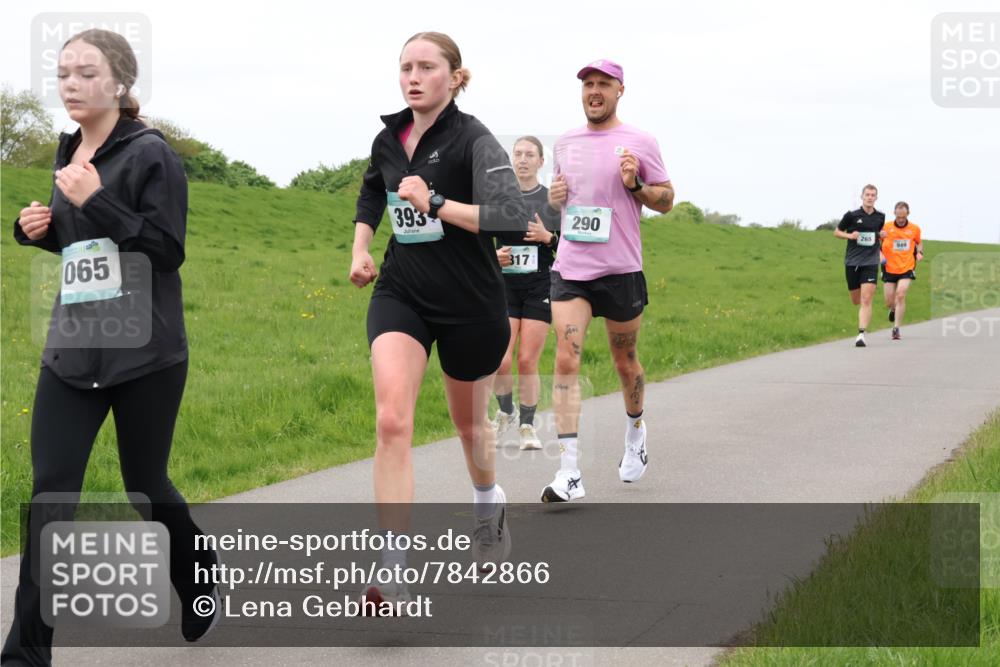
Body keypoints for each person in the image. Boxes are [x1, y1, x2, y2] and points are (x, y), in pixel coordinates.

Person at [2, 29, 218, 666]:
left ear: (119, 83)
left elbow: (165, 251)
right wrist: (35, 231)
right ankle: (25, 656)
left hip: (145, 353)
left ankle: (199, 573)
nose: (70, 83)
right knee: (51, 496)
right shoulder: (69, 148)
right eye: (63, 72)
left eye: (85, 72)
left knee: (145, 485)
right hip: (73, 350)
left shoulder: (153, 155)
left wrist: (95, 199)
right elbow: (84, 248)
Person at [349, 32, 528, 602]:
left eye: (426, 66)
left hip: (470, 303)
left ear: (454, 77)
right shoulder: (388, 136)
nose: (413, 76)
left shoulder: (474, 140)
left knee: (470, 426)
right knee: (392, 421)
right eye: (405, 67)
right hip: (402, 293)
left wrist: (437, 203)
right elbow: (372, 194)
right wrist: (360, 248)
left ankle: (486, 501)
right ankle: (393, 565)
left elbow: (509, 216)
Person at [539, 60, 674, 503]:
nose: (593, 91)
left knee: (625, 363)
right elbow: (563, 199)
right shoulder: (565, 143)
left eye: (602, 84)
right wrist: (553, 198)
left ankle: (636, 429)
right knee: (565, 358)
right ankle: (569, 472)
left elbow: (667, 200)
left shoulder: (640, 141)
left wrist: (636, 186)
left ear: (620, 91)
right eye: (587, 85)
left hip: (620, 272)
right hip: (571, 268)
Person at [491, 136, 561, 451]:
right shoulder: (498, 199)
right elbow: (477, 241)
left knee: (527, 359)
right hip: (505, 285)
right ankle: (506, 411)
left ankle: (528, 425)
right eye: (517, 154)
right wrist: (493, 258)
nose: (522, 159)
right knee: (500, 359)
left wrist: (549, 237)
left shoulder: (551, 201)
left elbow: (570, 247)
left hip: (539, 285)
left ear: (540, 161)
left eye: (529, 154)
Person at [834, 184, 885, 347]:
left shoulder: (880, 217)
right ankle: (861, 329)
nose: (870, 197)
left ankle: (861, 334)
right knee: (856, 300)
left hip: (870, 262)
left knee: (866, 299)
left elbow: (879, 235)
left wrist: (882, 237)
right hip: (853, 261)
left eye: (873, 195)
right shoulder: (851, 215)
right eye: (867, 195)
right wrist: (850, 235)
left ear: (876, 198)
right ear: (862, 197)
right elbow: (836, 232)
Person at [881, 202, 923, 340]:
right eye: (898, 216)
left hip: (907, 267)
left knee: (900, 294)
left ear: (907, 214)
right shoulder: (886, 227)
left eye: (903, 217)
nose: (900, 219)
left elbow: (918, 242)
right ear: (894, 214)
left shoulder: (914, 228)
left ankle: (896, 328)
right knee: (889, 301)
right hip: (889, 267)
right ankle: (892, 309)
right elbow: (877, 241)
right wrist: (879, 254)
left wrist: (919, 252)